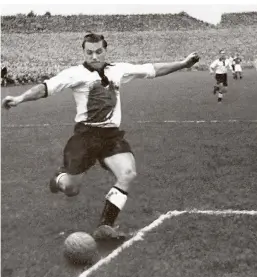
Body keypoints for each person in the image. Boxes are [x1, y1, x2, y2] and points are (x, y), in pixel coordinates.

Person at [2, 32, 200, 240]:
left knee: (128, 173)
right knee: (71, 188)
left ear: (105, 50)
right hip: (85, 136)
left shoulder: (119, 70)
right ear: (84, 52)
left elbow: (152, 69)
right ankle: (58, 178)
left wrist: (183, 63)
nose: (94, 56)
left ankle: (105, 226)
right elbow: (46, 88)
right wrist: (20, 98)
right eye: (89, 53)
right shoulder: (74, 73)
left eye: (98, 52)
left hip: (111, 137)